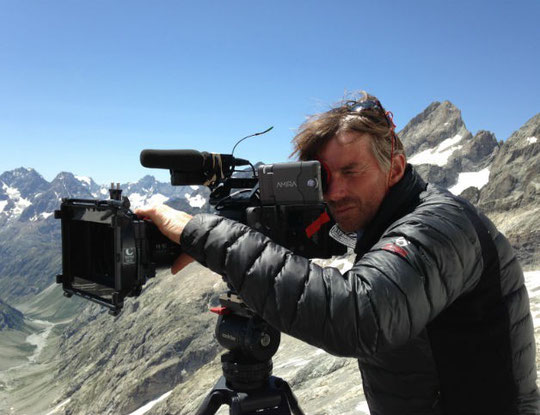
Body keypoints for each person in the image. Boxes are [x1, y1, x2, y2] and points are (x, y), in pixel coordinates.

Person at [136, 93, 539, 414]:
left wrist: (202, 232)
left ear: (395, 168)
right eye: (323, 178)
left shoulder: (440, 226)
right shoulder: (380, 214)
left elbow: (359, 314)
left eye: (351, 172)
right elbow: (317, 236)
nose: (334, 193)